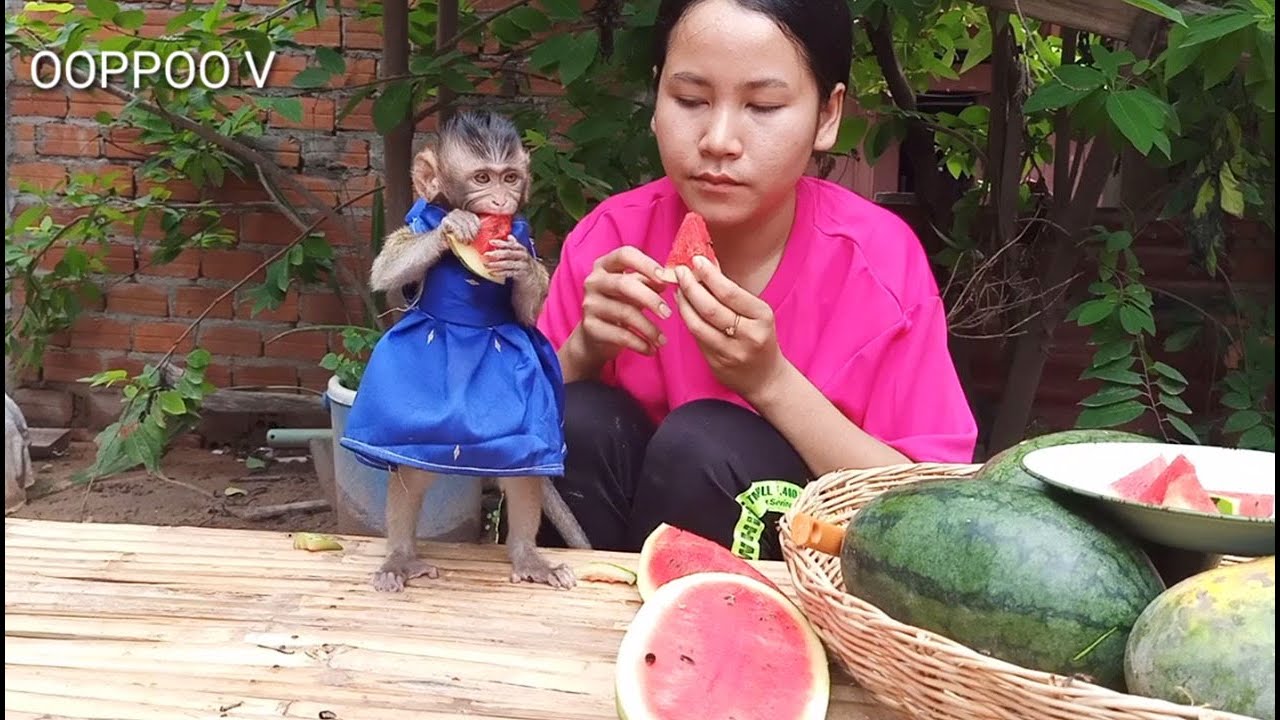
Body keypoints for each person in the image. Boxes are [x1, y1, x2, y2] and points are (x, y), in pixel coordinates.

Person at [534, 0, 979, 560]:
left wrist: (771, 382)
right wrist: (581, 352)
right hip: (599, 556)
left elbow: (932, 512)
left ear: (827, 116)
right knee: (577, 416)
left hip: (799, 565)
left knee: (704, 444)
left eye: (763, 106)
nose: (718, 140)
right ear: (656, 97)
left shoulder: (878, 263)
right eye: (690, 100)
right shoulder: (611, 240)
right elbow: (496, 438)